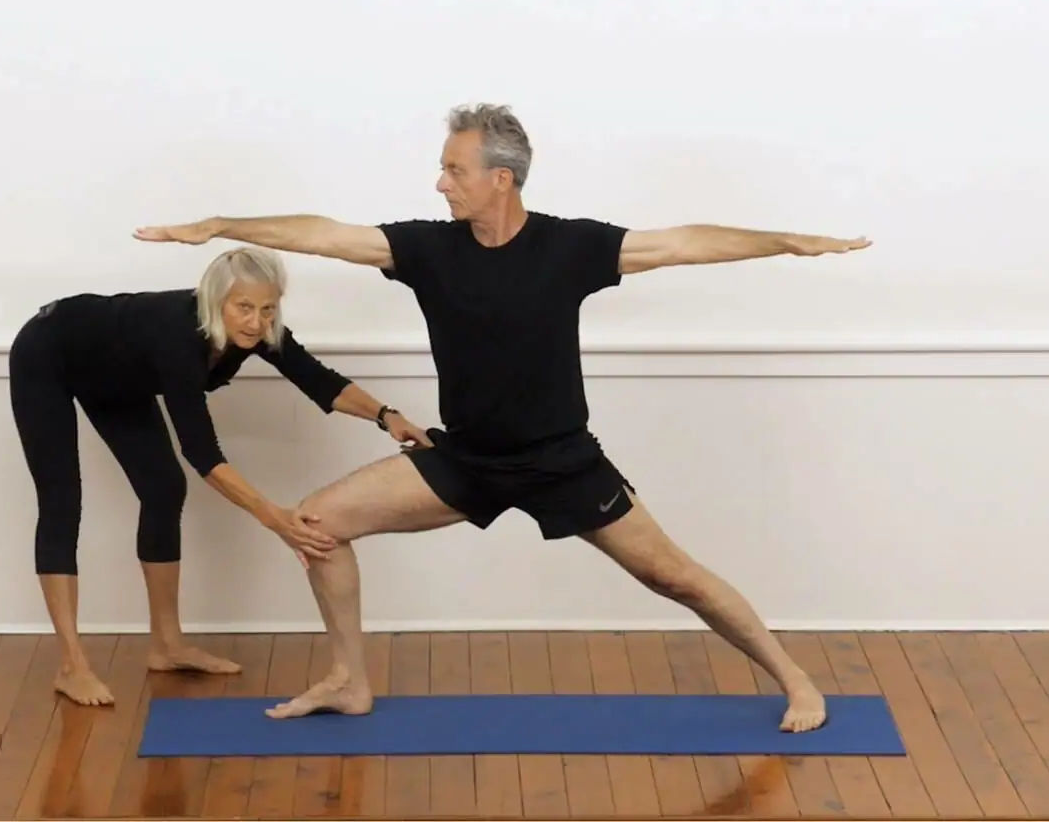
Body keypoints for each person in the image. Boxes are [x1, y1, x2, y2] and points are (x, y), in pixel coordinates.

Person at [132, 104, 871, 732]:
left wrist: (785, 241)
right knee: (318, 525)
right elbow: (327, 233)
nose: (439, 182)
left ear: (500, 179)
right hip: (466, 462)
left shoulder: (570, 247)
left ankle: (794, 678)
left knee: (677, 579)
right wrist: (224, 224)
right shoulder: (427, 248)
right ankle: (350, 680)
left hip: (561, 462)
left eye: (453, 170)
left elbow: (681, 243)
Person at [7, 244, 430, 706]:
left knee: (164, 490)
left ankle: (167, 645)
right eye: (243, 307)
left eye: (267, 309)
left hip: (118, 376)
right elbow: (203, 452)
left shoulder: (262, 331)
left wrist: (387, 416)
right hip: (48, 355)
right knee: (62, 502)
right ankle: (71, 665)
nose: (255, 321)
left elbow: (319, 380)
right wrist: (275, 519)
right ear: (216, 301)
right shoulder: (179, 338)